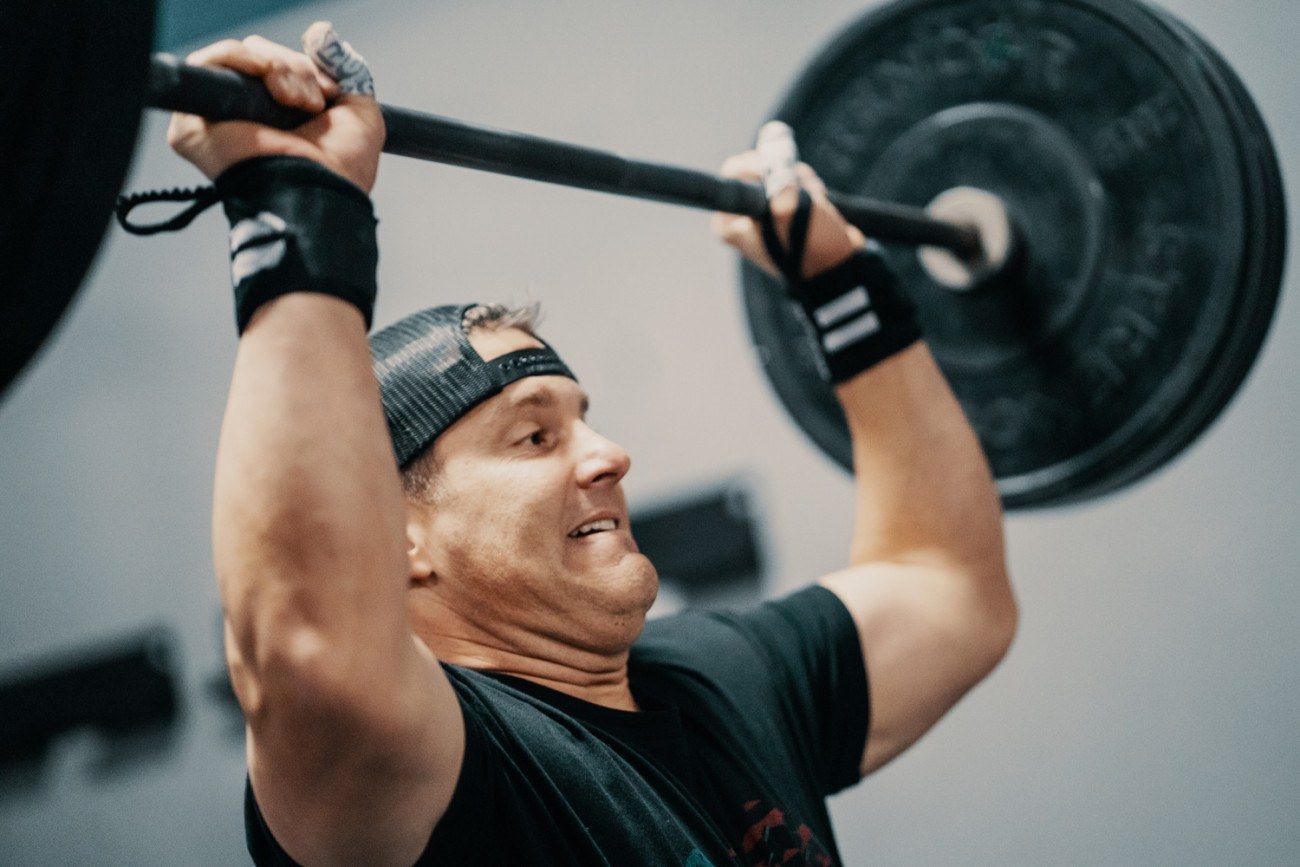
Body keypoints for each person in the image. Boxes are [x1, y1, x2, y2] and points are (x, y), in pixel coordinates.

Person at [169, 22, 1016, 866]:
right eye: (535, 435)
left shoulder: (722, 677)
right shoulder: (432, 770)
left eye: (585, 419)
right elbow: (306, 650)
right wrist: (297, 211)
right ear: (400, 534)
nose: (610, 455)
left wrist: (843, 286)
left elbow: (951, 588)